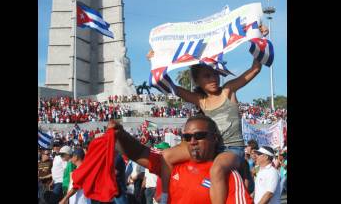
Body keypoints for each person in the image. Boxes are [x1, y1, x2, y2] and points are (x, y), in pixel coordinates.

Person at [147, 24, 268, 204]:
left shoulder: (228, 90)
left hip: (231, 149)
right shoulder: (200, 100)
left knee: (217, 168)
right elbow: (171, 86)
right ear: (197, 80)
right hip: (208, 147)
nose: (213, 79)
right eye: (207, 76)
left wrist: (261, 37)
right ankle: (164, 197)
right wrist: (155, 61)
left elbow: (255, 69)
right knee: (167, 156)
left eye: (215, 74)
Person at [110, 116, 253, 204]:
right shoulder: (172, 164)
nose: (192, 141)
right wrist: (120, 135)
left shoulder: (227, 175)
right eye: (187, 137)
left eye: (199, 135)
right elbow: (140, 152)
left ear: (214, 138)